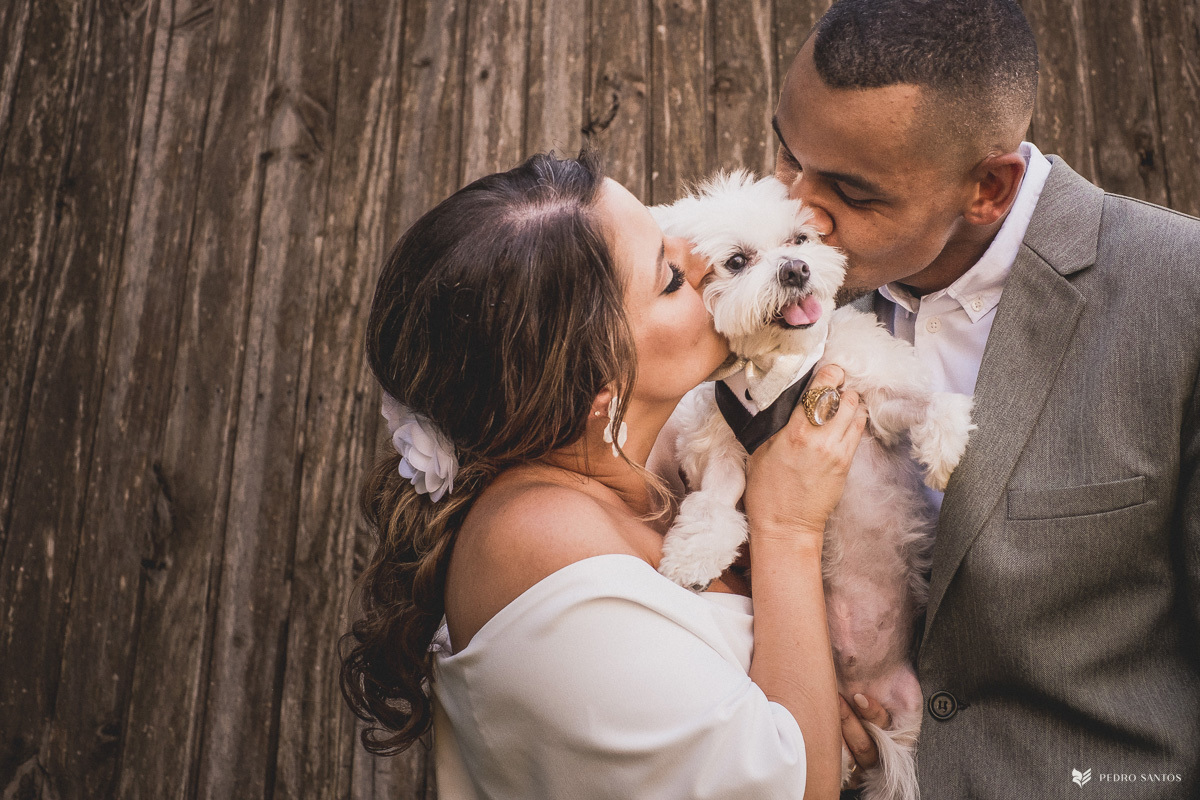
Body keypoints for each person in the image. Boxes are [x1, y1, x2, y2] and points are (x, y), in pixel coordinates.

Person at [340, 151, 872, 799]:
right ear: (597, 383)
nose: (702, 256)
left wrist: (817, 692)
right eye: (670, 276)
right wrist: (788, 529)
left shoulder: (657, 460)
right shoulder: (537, 544)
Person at [772, 1, 1200, 797]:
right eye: (787, 156)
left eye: (851, 192)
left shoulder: (1182, 293)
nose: (798, 210)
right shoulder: (773, 290)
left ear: (988, 188)